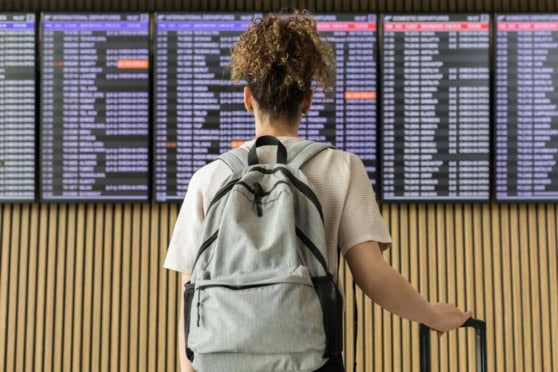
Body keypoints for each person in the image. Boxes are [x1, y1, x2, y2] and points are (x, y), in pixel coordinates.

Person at [164, 10, 472, 372]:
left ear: (248, 98)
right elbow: (372, 275)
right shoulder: (341, 168)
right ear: (307, 100)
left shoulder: (208, 178)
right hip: (310, 362)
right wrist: (431, 314)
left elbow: (190, 296)